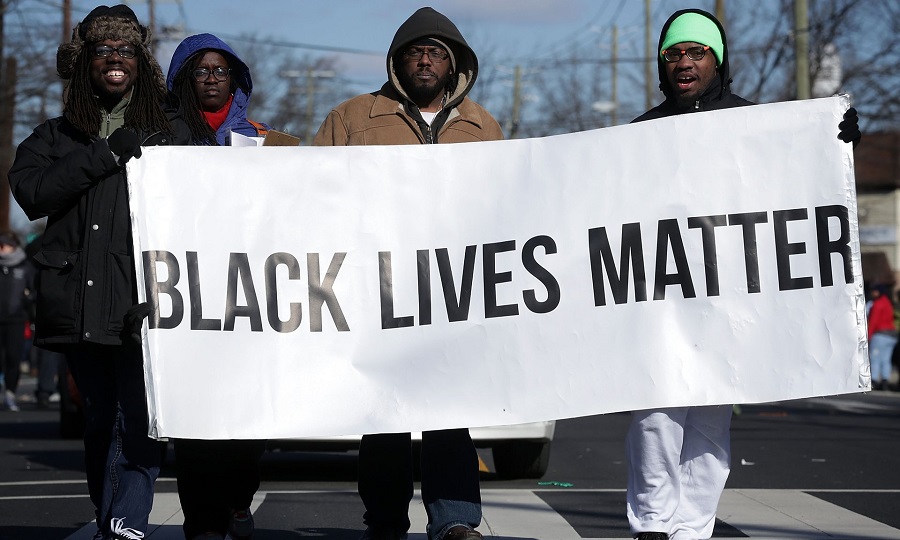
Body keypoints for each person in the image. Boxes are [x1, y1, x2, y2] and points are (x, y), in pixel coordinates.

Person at [625, 9, 861, 540]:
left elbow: (801, 179)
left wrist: (836, 143)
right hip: (659, 302)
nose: (684, 62)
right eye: (673, 53)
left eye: (696, 52)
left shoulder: (755, 125)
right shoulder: (638, 135)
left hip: (728, 300)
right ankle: (653, 526)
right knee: (655, 419)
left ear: (718, 60)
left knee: (709, 424)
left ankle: (692, 529)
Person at [313, 7, 503, 540]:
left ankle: (456, 521)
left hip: (451, 290)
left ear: (454, 64)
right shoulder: (353, 118)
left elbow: (505, 207)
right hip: (376, 290)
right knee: (385, 418)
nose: (426, 59)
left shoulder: (482, 126)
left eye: (437, 52)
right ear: (398, 62)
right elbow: (312, 196)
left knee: (450, 411)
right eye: (417, 51)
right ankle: (386, 520)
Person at [7, 5, 191, 539]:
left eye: (127, 50)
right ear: (84, 60)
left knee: (138, 419)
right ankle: (109, 515)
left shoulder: (169, 130)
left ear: (141, 62)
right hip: (77, 300)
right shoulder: (54, 134)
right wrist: (107, 154)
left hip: (146, 299)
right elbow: (32, 193)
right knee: (98, 421)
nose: (116, 59)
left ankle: (126, 522)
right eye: (104, 50)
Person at [165, 33, 271, 540]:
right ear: (183, 79)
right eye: (199, 70)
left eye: (220, 70)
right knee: (195, 424)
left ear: (236, 81)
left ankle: (237, 501)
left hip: (248, 302)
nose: (210, 77)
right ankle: (201, 524)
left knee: (246, 423)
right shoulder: (156, 140)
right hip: (186, 302)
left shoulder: (262, 140)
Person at [0, 231, 35, 412]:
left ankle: (10, 393)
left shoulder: (25, 266)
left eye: (3, 245)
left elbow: (34, 291)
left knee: (13, 357)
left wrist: (27, 300)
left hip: (16, 320)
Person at [867, 284, 896, 391]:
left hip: (880, 335)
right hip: (891, 335)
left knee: (875, 358)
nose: (872, 293)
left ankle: (874, 380)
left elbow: (873, 321)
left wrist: (868, 336)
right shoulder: (888, 302)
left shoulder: (877, 304)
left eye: (874, 291)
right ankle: (885, 381)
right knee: (886, 359)